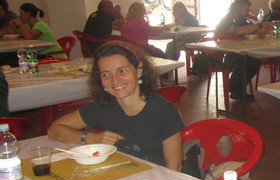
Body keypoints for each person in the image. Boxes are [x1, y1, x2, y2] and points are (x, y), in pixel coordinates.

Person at [48, 41, 184, 170]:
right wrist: (91, 138)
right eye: (106, 74)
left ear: (138, 70)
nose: (115, 80)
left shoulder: (162, 111)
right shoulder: (102, 107)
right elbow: (54, 130)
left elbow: (174, 168)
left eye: (122, 71)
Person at [213, 0, 263, 99]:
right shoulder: (227, 20)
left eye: (249, 10)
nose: (248, 12)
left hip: (233, 52)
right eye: (246, 10)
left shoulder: (238, 19)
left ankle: (236, 90)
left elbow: (254, 31)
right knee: (251, 62)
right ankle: (235, 89)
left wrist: (257, 24)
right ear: (238, 9)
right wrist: (260, 25)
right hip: (221, 56)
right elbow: (237, 31)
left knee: (252, 61)